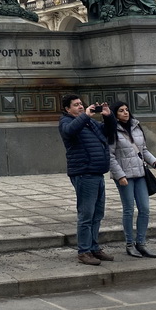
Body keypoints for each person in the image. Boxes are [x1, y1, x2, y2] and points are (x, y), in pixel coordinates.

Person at [59, 94, 115, 265]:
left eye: (81, 104)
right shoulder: (66, 122)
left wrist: (108, 116)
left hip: (97, 172)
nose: (81, 107)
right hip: (84, 173)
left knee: (98, 213)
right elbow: (70, 131)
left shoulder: (89, 122)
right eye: (76, 105)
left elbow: (108, 132)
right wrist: (86, 116)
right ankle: (84, 251)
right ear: (67, 109)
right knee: (86, 214)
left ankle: (94, 247)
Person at [108, 102, 156, 258]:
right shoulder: (112, 130)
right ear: (115, 114)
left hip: (140, 173)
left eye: (127, 109)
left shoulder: (136, 126)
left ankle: (141, 243)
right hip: (124, 176)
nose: (125, 113)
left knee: (145, 209)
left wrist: (155, 162)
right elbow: (110, 156)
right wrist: (120, 175)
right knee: (128, 209)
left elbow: (143, 150)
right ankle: (129, 243)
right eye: (121, 111)